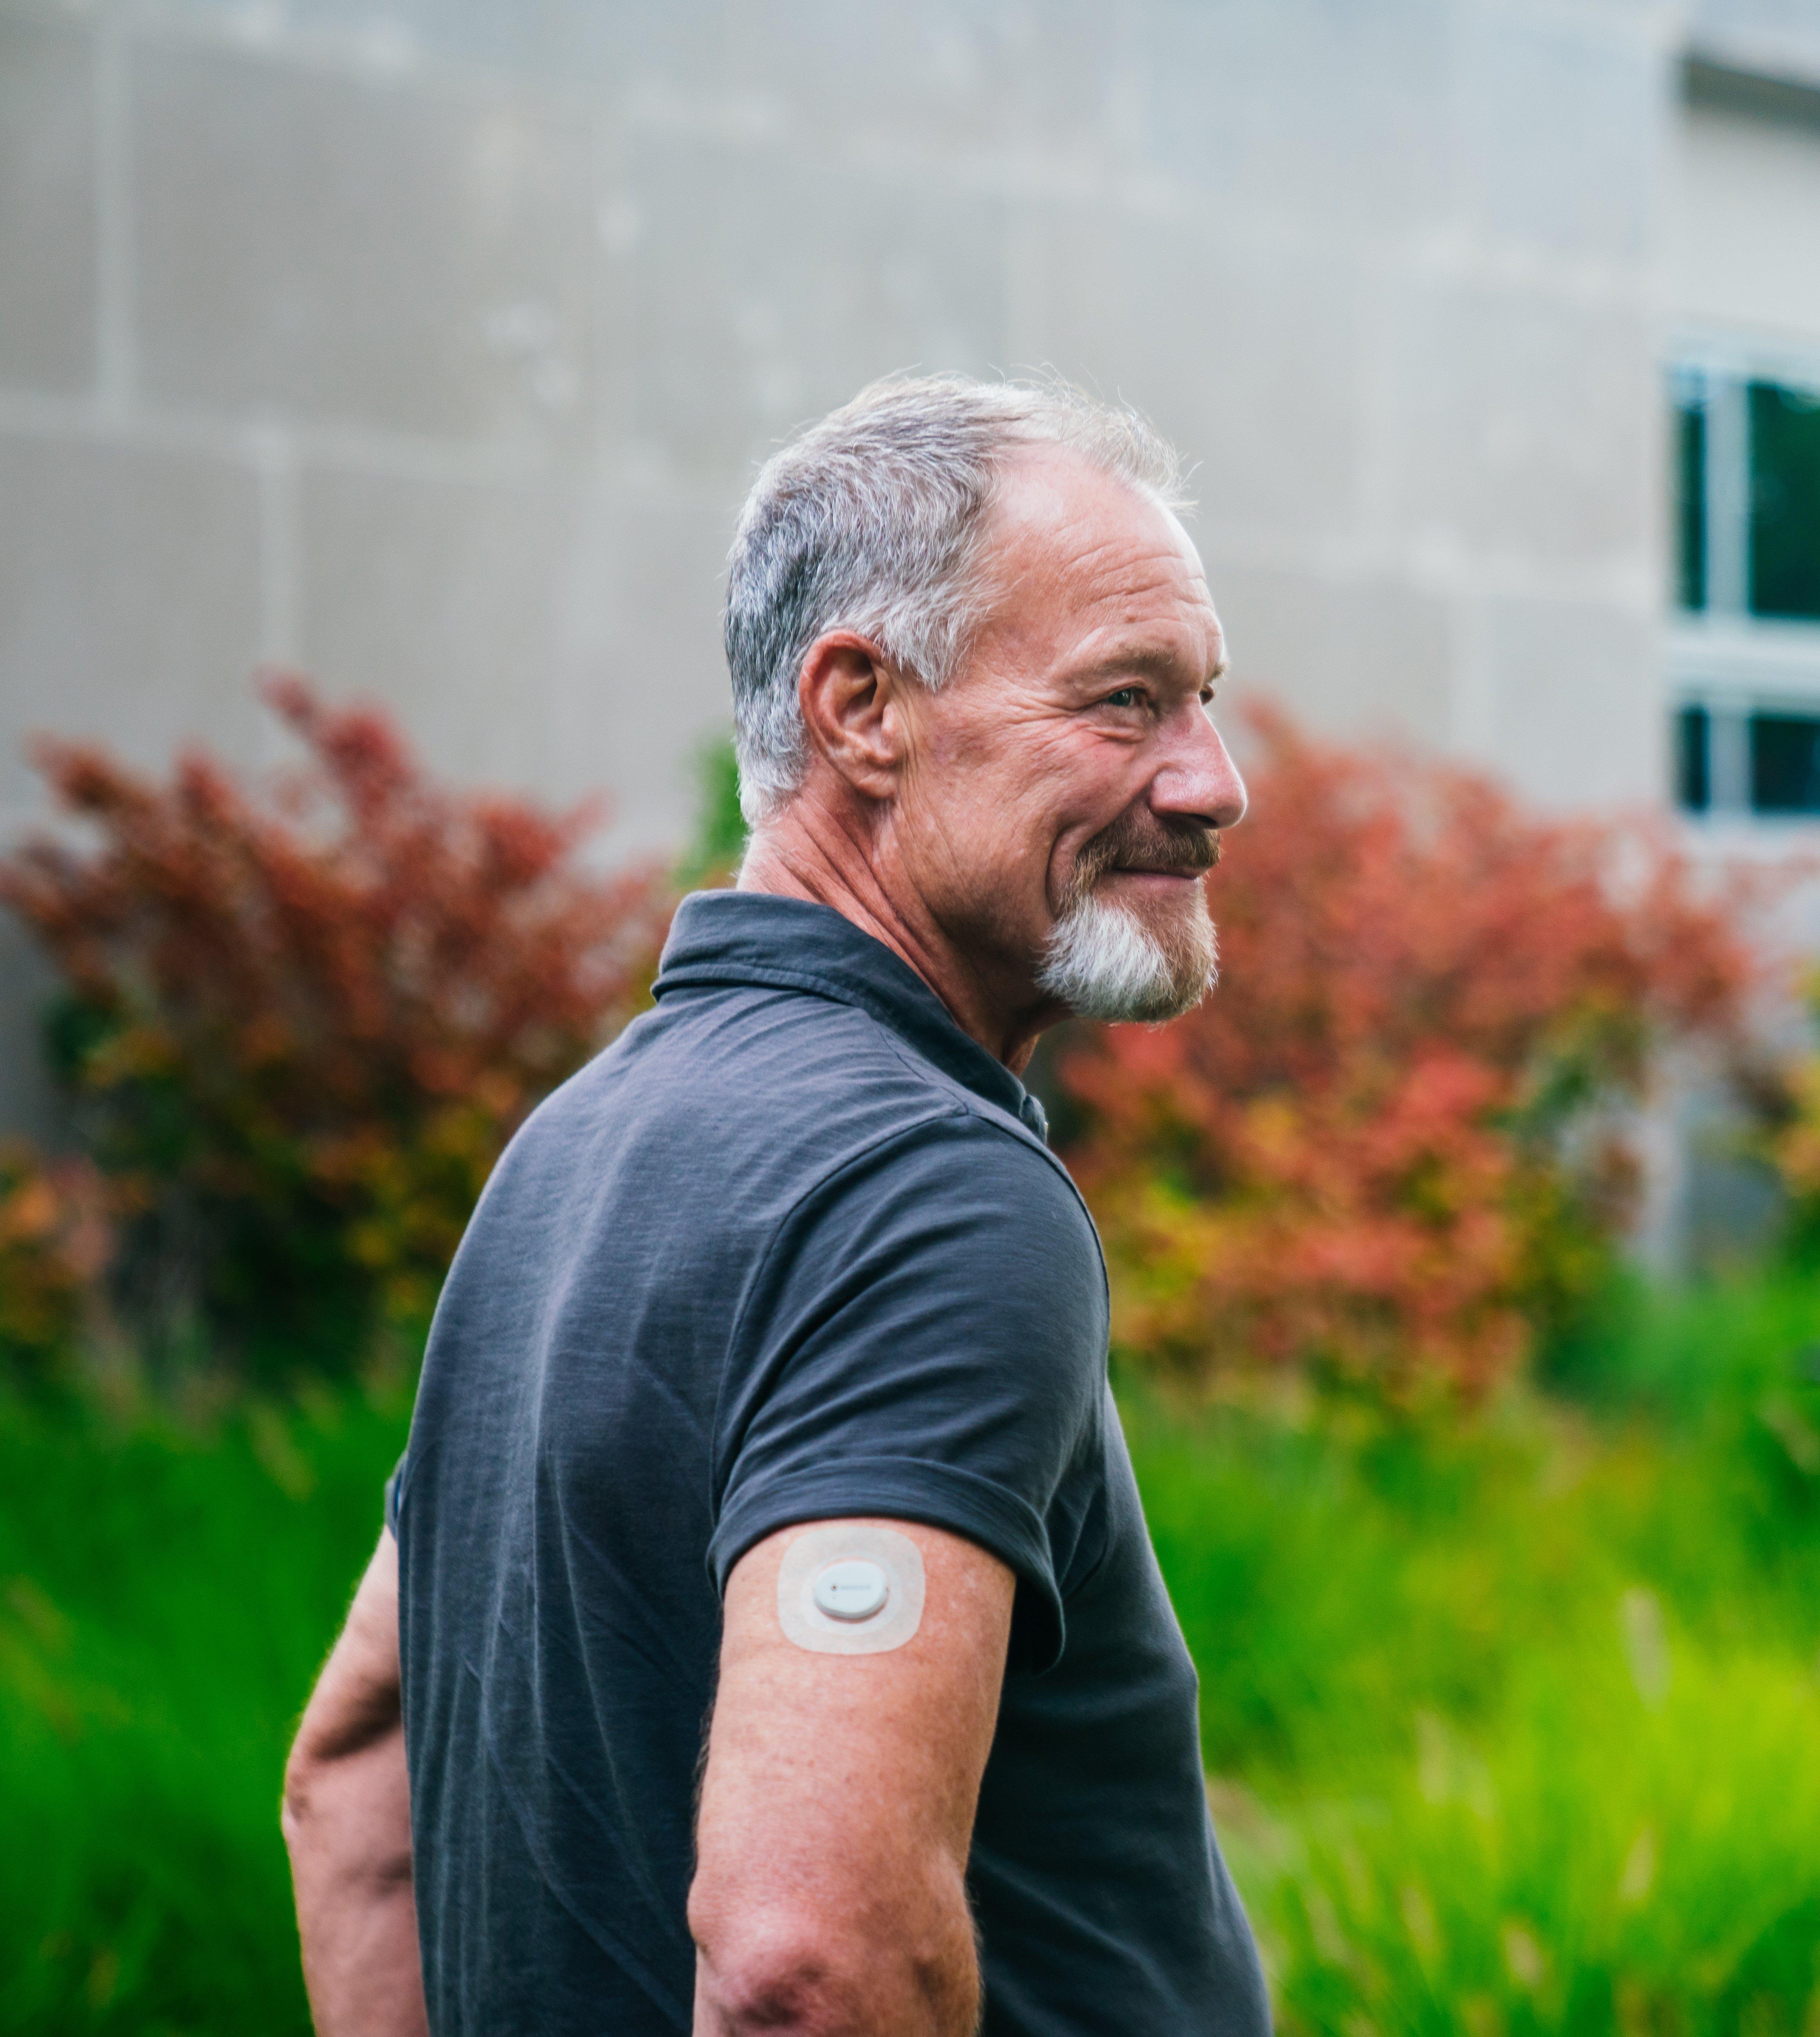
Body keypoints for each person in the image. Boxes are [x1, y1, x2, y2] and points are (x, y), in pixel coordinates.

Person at [278, 375, 1271, 2036]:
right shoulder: (926, 1195)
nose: (1214, 780)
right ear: (860, 707)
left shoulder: (572, 1150)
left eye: (1204, 701)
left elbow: (353, 1779)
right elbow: (814, 1962)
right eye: (1126, 702)